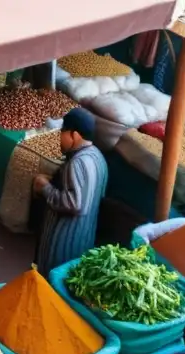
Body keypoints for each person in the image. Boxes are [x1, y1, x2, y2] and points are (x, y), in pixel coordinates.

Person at [32, 107, 108, 273]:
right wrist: (54, 181)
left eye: (62, 133)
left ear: (74, 135)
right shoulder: (98, 157)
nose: (59, 138)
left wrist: (44, 188)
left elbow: (76, 204)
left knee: (49, 285)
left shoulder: (77, 163)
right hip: (82, 243)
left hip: (62, 246)